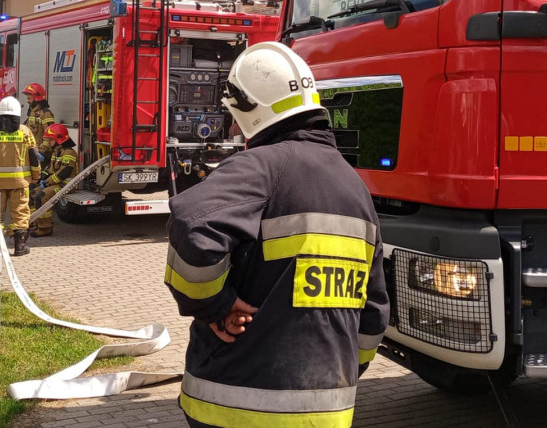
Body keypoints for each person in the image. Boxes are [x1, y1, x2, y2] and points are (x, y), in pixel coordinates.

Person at [164, 41, 388, 428]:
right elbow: (373, 315)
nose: (234, 127)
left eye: (235, 116)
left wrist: (217, 306)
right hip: (329, 414)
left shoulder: (262, 167)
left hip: (232, 407)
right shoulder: (356, 190)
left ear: (250, 110)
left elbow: (191, 222)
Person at [0, 96, 40, 256]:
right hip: (19, 182)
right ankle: (19, 247)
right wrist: (36, 175)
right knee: (20, 213)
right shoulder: (25, 132)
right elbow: (34, 156)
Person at [28, 123, 76, 238]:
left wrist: (47, 182)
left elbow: (64, 173)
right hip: (55, 183)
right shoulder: (57, 151)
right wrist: (42, 177)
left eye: (51, 140)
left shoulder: (69, 153)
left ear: (59, 139)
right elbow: (50, 168)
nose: (49, 143)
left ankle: (45, 228)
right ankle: (34, 222)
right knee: (32, 193)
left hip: (66, 184)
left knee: (42, 196)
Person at [22, 83, 56, 159]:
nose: (27, 101)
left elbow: (49, 135)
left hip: (42, 153)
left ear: (36, 98)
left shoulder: (45, 113)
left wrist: (41, 152)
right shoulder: (33, 113)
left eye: (29, 98)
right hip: (33, 151)